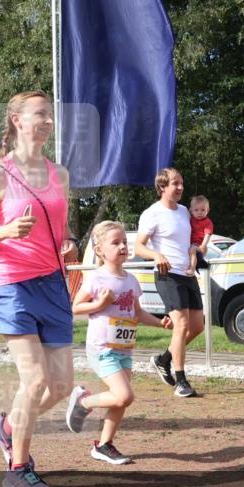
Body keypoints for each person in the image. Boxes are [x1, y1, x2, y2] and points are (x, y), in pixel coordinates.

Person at [0, 89, 79, 487]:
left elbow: (59, 229)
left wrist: (68, 244)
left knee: (62, 384)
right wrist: (7, 231)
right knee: (35, 380)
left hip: (52, 282)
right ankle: (19, 467)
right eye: (39, 114)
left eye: (50, 115)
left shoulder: (59, 174)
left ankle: (8, 427)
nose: (47, 121)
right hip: (9, 280)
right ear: (16, 120)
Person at [66, 221, 172, 464]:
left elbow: (137, 313)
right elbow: (77, 307)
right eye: (116, 242)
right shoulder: (96, 278)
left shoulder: (131, 280)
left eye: (124, 241)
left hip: (125, 347)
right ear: (100, 249)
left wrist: (160, 322)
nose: (123, 246)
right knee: (124, 396)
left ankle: (104, 445)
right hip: (102, 348)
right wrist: (99, 305)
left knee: (120, 400)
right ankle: (84, 402)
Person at [134, 167, 205, 398]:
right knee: (181, 325)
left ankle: (163, 359)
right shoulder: (152, 213)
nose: (180, 188)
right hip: (167, 275)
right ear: (162, 187)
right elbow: (138, 246)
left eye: (182, 183)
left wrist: (197, 251)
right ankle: (181, 381)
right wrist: (156, 255)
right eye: (175, 183)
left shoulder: (185, 211)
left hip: (187, 275)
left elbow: (194, 238)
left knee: (197, 327)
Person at [185, 195, 214, 276]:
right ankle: (198, 264)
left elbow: (207, 235)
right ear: (191, 211)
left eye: (203, 210)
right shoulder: (190, 219)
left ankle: (192, 269)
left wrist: (203, 245)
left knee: (192, 250)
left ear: (207, 210)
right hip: (192, 244)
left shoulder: (207, 222)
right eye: (196, 210)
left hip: (200, 245)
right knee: (190, 250)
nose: (199, 212)